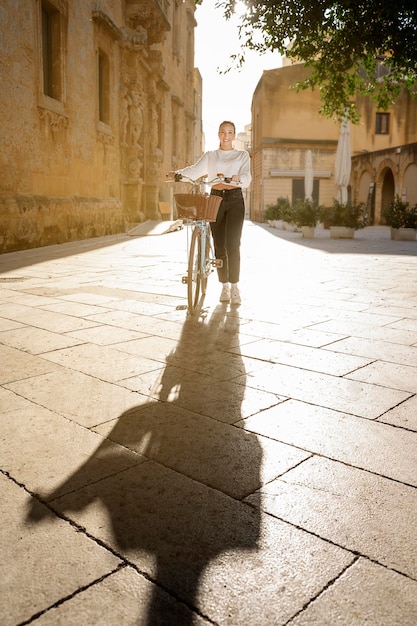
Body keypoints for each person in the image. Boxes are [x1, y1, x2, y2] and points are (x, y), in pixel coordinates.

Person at [173, 121, 251, 305]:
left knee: (233, 244)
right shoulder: (211, 156)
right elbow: (194, 171)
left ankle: (234, 287)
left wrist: (240, 178)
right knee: (219, 244)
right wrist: (177, 174)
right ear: (218, 134)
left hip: (235, 200)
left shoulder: (242, 155)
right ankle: (224, 287)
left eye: (230, 132)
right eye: (223, 132)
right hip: (215, 198)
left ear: (234, 136)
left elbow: (247, 178)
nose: (226, 136)